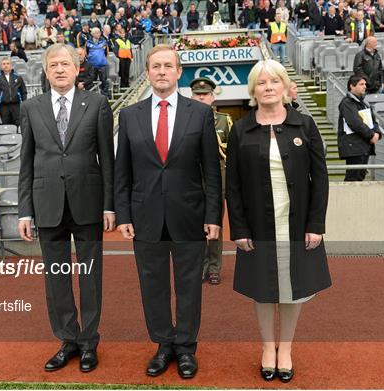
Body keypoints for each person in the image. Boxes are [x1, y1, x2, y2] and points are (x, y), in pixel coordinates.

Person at [114, 45, 222, 379]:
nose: (162, 71)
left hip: (190, 215)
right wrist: (124, 216)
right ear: (147, 73)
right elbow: (123, 172)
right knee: (153, 286)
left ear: (178, 72)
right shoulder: (130, 115)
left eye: (168, 66)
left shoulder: (200, 114)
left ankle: (186, 347)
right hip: (145, 217)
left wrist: (213, 217)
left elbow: (212, 173)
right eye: (155, 66)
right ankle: (163, 345)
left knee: (189, 285)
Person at [225, 59, 330, 383]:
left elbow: (321, 179)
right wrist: (239, 229)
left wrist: (316, 224)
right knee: (264, 289)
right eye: (261, 82)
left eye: (274, 81)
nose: (268, 87)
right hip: (257, 226)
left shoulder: (305, 125)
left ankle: (285, 349)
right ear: (253, 90)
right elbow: (234, 185)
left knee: (293, 289)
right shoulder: (241, 129)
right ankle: (267, 347)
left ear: (284, 87)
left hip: (296, 226)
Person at [18, 43, 115, 373]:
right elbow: (27, 161)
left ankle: (89, 341)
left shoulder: (98, 104)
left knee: (90, 276)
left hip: (87, 201)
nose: (59, 69)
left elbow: (108, 160)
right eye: (53, 65)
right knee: (56, 277)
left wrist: (109, 206)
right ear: (45, 72)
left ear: (77, 69)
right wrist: (25, 210)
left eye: (65, 64)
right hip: (47, 205)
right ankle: (67, 339)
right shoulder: (31, 107)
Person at [190, 77, 232, 285]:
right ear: (191, 97)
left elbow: (231, 154)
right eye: (198, 95)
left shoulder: (224, 121)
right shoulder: (184, 120)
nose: (201, 98)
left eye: (205, 94)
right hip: (192, 182)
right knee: (194, 226)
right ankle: (199, 266)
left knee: (215, 226)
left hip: (218, 180)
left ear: (212, 97)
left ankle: (214, 267)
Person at [337, 74, 381, 181]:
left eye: (365, 84)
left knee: (359, 177)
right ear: (352, 86)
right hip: (354, 147)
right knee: (353, 178)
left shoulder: (363, 103)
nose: (365, 86)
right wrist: (371, 135)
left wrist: (377, 133)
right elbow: (355, 123)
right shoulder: (347, 103)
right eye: (361, 84)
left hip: (362, 146)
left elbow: (373, 120)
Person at [0, 57, 27, 126]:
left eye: (8, 63)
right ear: (1, 66)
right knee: (6, 126)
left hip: (16, 105)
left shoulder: (18, 77)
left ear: (11, 65)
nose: (6, 65)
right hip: (4, 106)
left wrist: (24, 104)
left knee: (18, 125)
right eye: (4, 64)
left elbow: (23, 92)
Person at [86, 27, 110, 97]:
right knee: (92, 82)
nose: (99, 34)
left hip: (102, 65)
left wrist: (103, 59)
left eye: (99, 32)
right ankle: (93, 96)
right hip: (92, 66)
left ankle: (105, 96)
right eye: (97, 33)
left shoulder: (103, 42)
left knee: (104, 81)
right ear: (92, 34)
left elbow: (107, 53)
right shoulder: (88, 43)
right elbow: (86, 53)